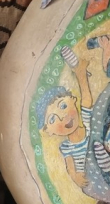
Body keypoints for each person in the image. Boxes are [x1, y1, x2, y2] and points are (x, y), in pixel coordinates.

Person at [36, 58, 93, 188]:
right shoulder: (66, 147)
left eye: (63, 106)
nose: (63, 117)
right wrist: (76, 178)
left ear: (73, 99)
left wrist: (81, 75)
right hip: (91, 181)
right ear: (48, 130)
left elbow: (86, 100)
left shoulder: (88, 123)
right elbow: (71, 169)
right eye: (52, 119)